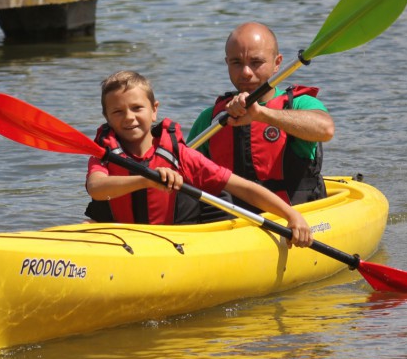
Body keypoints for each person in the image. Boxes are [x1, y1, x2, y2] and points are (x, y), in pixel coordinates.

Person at [85, 70, 312, 248]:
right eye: (118, 112)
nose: (129, 118)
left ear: (154, 110)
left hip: (175, 243)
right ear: (106, 117)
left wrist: (291, 215)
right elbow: (96, 188)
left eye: (137, 108)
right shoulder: (104, 154)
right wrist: (147, 180)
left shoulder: (181, 156)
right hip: (122, 242)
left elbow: (244, 188)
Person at [187, 22, 334, 218]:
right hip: (228, 224)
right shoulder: (212, 118)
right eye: (237, 63)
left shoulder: (298, 105)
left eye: (256, 62)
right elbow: (183, 169)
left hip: (294, 219)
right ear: (227, 63)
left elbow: (325, 130)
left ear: (277, 63)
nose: (246, 72)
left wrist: (261, 115)